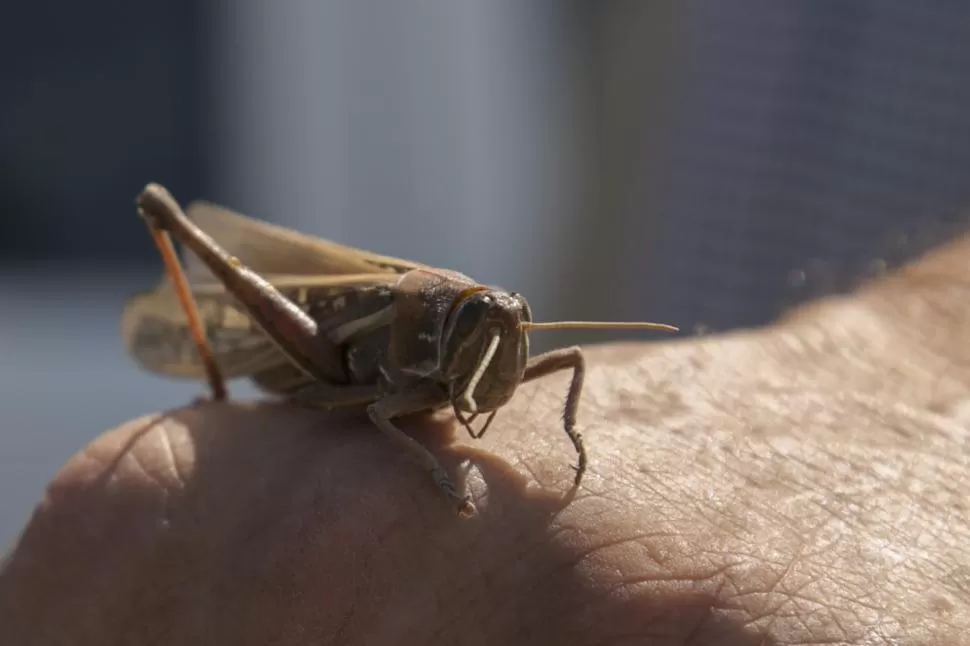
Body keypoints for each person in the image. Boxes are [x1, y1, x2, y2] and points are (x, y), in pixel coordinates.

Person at [1, 231, 968, 645]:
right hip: (320, 361)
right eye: (478, 331)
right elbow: (383, 410)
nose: (500, 350)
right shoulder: (402, 363)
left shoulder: (508, 335)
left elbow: (568, 369)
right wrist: (433, 469)